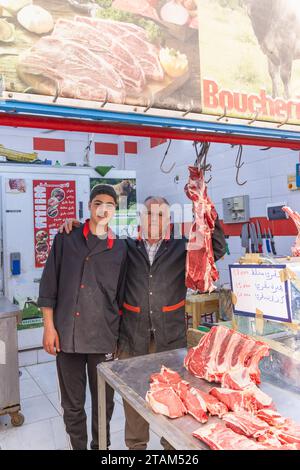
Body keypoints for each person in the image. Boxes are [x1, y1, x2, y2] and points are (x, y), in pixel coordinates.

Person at [60, 195, 226, 450]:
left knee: (173, 400)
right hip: (131, 338)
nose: (154, 219)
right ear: (141, 218)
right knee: (135, 400)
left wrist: (207, 211)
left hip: (170, 338)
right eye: (149, 213)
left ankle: (170, 446)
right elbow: (95, 243)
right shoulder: (126, 247)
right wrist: (75, 227)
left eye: (160, 214)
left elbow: (217, 249)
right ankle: (136, 447)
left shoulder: (182, 247)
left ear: (169, 220)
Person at [38, 185, 127, 450]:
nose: (103, 209)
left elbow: (121, 298)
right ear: (89, 206)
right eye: (98, 203)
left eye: (109, 205)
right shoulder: (67, 238)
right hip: (68, 335)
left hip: (104, 338)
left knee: (104, 404)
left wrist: (119, 340)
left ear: (115, 211)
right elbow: (48, 286)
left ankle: (102, 448)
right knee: (72, 404)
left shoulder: (120, 247)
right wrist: (48, 328)